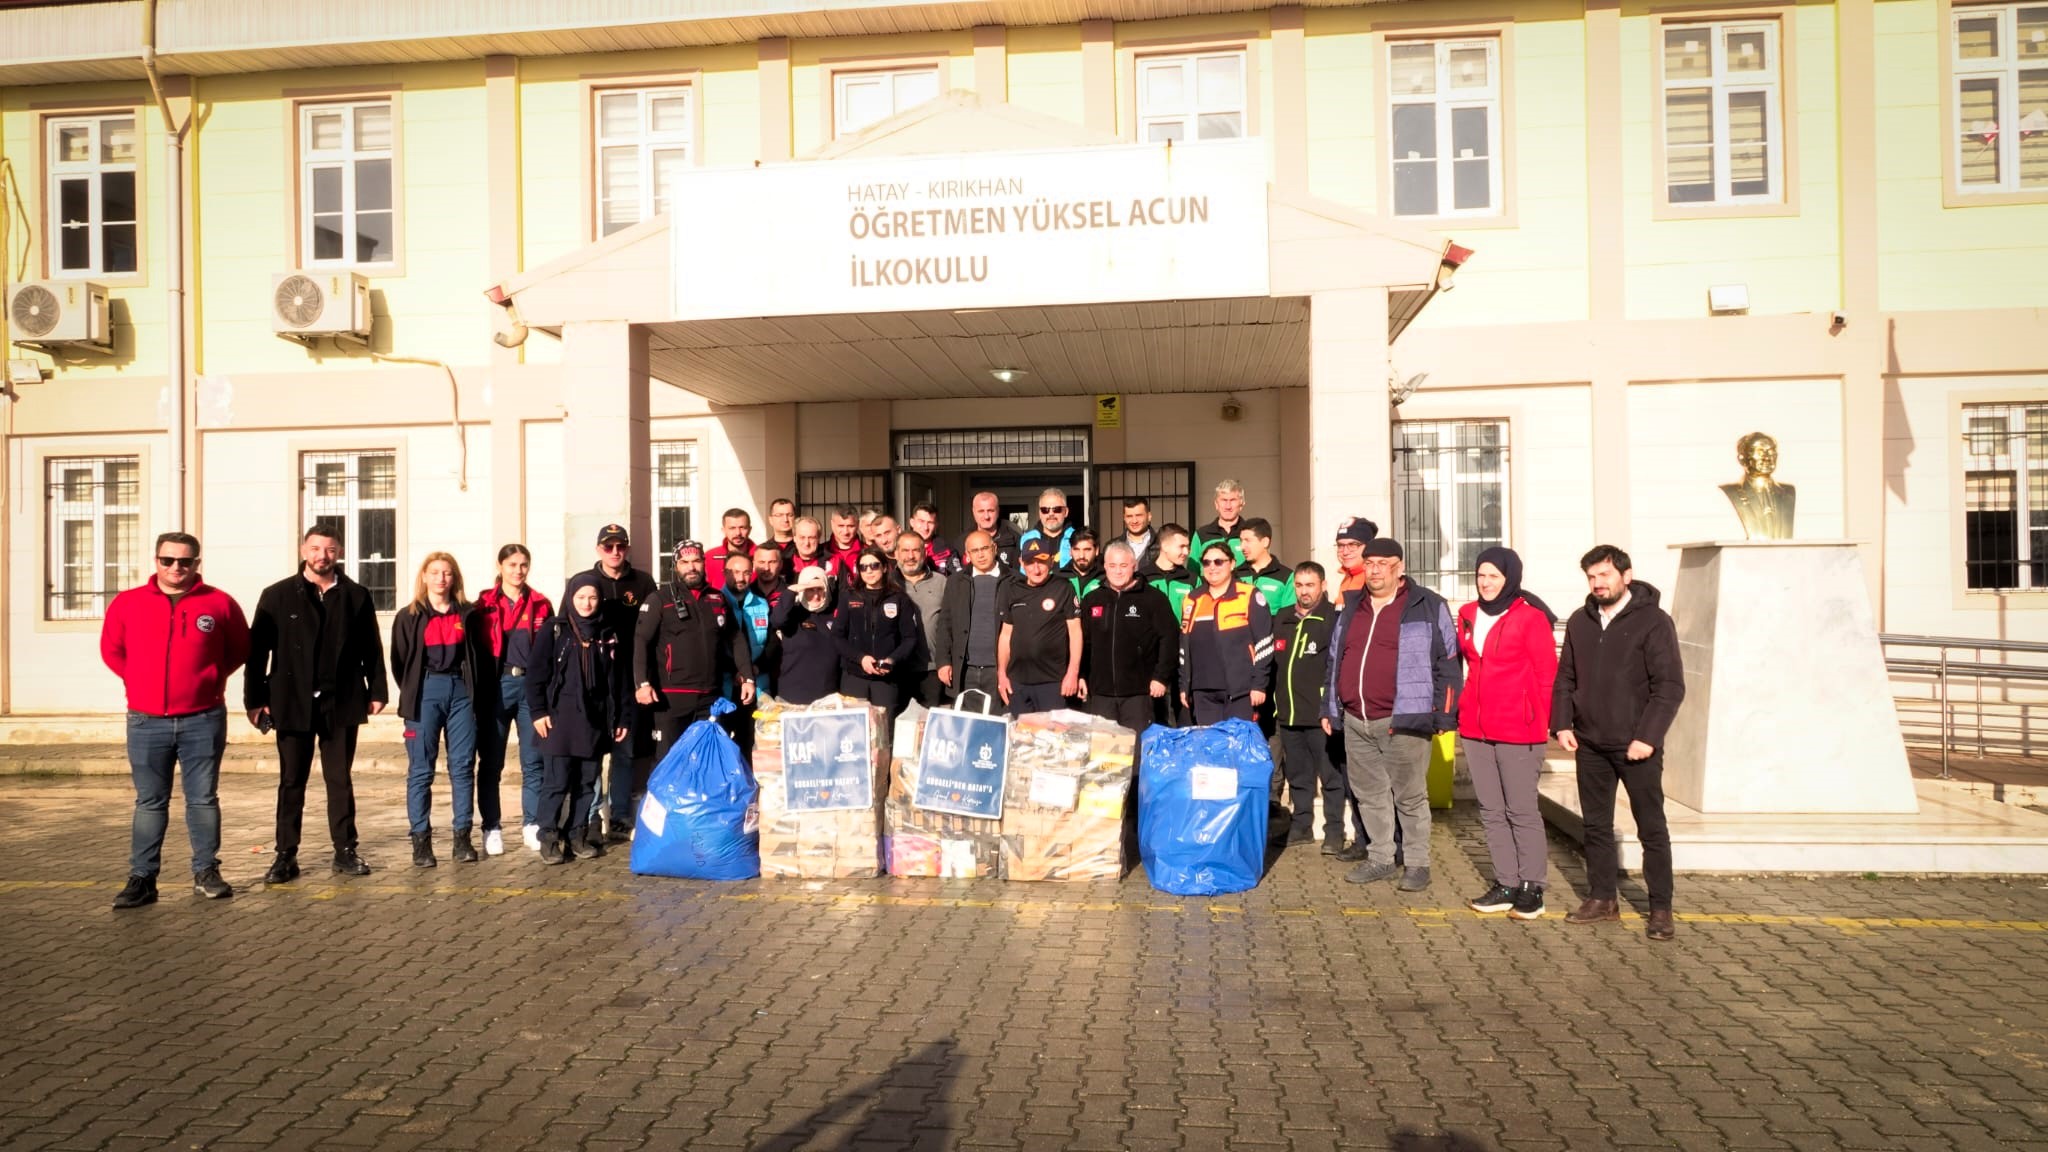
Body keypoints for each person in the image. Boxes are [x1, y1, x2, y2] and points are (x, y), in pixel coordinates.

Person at [101, 532, 250, 909]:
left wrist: (209, 681)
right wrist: (139, 683)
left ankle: (206, 872)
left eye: (184, 562)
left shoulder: (219, 603)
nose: (175, 568)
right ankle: (143, 878)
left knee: (202, 799)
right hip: (145, 721)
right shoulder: (128, 603)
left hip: (202, 718)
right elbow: (112, 650)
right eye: (167, 561)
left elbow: (238, 649)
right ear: (156, 561)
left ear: (197, 564)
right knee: (150, 802)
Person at [1553, 544, 1685, 941]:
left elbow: (1670, 687)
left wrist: (1647, 737)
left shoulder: (1654, 622)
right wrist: (1562, 724)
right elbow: (1565, 679)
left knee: (1651, 829)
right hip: (1590, 742)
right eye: (1592, 577)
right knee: (1595, 827)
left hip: (1636, 746)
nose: (1597, 584)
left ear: (1625, 576)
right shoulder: (1580, 621)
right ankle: (1602, 898)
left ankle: (1660, 908)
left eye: (1604, 576)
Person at [248, 527, 388, 884]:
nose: (321, 555)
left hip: (341, 700)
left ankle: (345, 851)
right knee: (291, 781)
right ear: (303, 550)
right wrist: (254, 701)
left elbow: (371, 646)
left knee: (339, 780)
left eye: (329, 549)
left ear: (339, 552)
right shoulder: (277, 595)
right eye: (315, 548)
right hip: (291, 702)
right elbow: (257, 653)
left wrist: (378, 690)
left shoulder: (356, 595)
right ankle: (285, 855)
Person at [1320, 538, 1460, 894]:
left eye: (1384, 563)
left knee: (1409, 796)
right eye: (1370, 563)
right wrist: (1330, 707)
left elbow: (1448, 663)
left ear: (1399, 567)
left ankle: (1417, 863)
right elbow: (1335, 658)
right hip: (1356, 719)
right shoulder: (1352, 606)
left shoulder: (1428, 605)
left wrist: (1444, 715)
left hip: (1405, 719)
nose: (1375, 569)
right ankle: (1380, 858)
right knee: (1369, 794)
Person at [1455, 547, 1561, 920]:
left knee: (1521, 810)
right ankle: (1506, 883)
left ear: (1510, 578)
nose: (1485, 583)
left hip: (1520, 727)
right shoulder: (1467, 614)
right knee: (1491, 811)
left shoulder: (1530, 619)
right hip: (1475, 728)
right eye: (1481, 575)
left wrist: (1545, 722)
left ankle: (1533, 887)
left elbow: (1548, 675)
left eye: (1494, 576)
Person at [632, 541, 755, 833]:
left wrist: (746, 675)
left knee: (705, 764)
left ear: (704, 563)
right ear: (676, 566)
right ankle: (654, 828)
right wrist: (642, 682)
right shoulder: (659, 598)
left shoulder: (717, 599)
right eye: (685, 562)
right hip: (671, 699)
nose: (692, 567)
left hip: (709, 698)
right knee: (666, 763)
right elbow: (641, 642)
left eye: (697, 561)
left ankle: (698, 823)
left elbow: (736, 638)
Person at [390, 553, 492, 868]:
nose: (441, 579)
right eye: (434, 573)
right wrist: (413, 689)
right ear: (424, 577)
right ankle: (421, 842)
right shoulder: (409, 616)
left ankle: (462, 838)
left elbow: (478, 654)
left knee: (462, 767)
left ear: (454, 578)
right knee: (421, 771)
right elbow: (399, 660)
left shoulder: (468, 614)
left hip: (460, 692)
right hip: (425, 692)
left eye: (447, 573)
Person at [528, 572, 635, 864]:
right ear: (571, 598)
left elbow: (622, 680)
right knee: (557, 782)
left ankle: (577, 833)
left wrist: (623, 718)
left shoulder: (608, 633)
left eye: (592, 597)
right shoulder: (555, 630)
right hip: (559, 718)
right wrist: (538, 712)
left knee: (588, 781)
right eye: (580, 597)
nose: (587, 604)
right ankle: (548, 837)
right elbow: (536, 675)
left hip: (596, 718)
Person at [1272, 562, 1356, 855]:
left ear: (1322, 585)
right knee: (1298, 777)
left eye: (1310, 585)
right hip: (1288, 714)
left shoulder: (1333, 619)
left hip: (1321, 716)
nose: (1304, 591)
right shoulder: (1282, 618)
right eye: (1299, 585)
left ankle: (1334, 832)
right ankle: (1301, 827)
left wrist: (1331, 708)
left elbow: (1339, 668)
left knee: (1331, 778)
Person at [582, 523, 658, 841]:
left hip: (630, 678)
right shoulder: (586, 582)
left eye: (620, 547)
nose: (615, 552)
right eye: (608, 547)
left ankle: (620, 815)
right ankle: (591, 816)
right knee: (594, 749)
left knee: (625, 750)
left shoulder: (642, 582)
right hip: (595, 679)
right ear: (599, 549)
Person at [476, 544, 553, 854]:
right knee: (491, 762)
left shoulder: (541, 604)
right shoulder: (483, 604)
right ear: (500, 565)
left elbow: (550, 649)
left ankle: (532, 824)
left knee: (533, 761)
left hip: (531, 688)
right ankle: (492, 826)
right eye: (512, 564)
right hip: (496, 686)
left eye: (523, 564)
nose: (518, 570)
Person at [1077, 542, 1176, 735]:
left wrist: (1160, 677)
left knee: (1136, 751)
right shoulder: (1092, 599)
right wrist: (1081, 675)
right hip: (1101, 694)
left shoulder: (1154, 599)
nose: (1118, 571)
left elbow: (1169, 639)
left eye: (1124, 565)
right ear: (1104, 566)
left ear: (1134, 566)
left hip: (1139, 694)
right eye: (1112, 566)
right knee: (1104, 754)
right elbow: (1084, 642)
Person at [1178, 541, 1273, 725]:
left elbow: (1264, 643)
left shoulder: (1249, 595)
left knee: (1236, 749)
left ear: (1232, 563)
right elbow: (1184, 646)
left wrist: (1259, 685)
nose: (1212, 567)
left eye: (1218, 562)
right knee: (1210, 750)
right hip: (1202, 692)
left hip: (1240, 692)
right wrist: (1184, 685)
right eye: (1206, 563)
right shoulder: (1192, 599)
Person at [998, 539, 1082, 715]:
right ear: (1021, 562)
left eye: (1042, 562)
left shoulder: (1063, 588)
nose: (1036, 569)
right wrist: (1002, 674)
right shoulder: (1012, 589)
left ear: (1051, 561)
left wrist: (1072, 673)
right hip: (1017, 683)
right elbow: (1006, 634)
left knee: (1051, 739)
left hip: (1052, 683)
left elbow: (1075, 632)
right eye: (1030, 562)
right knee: (1021, 738)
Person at [831, 545, 920, 711]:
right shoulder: (849, 597)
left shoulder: (899, 598)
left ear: (885, 568)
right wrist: (860, 658)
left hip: (886, 678)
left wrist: (892, 660)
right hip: (854, 676)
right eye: (863, 567)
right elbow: (837, 636)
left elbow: (909, 638)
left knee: (884, 730)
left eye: (874, 565)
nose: (869, 571)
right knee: (855, 729)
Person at [938, 530, 1009, 702]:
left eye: (984, 548)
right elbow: (945, 623)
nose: (981, 555)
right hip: (965, 670)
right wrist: (943, 661)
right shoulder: (956, 581)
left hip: (1000, 671)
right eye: (974, 551)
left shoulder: (1013, 580)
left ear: (994, 548)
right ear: (967, 555)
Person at [1143, 524, 1197, 726]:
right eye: (1181, 546)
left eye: (1188, 546)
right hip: (1153, 655)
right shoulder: (1143, 577)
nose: (1186, 552)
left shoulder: (1192, 579)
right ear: (1164, 547)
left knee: (1183, 711)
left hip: (1183, 651)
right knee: (1154, 713)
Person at [772, 567, 841, 705]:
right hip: (794, 694)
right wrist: (791, 592)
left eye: (820, 589)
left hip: (828, 695)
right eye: (810, 589)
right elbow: (777, 620)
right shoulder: (792, 614)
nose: (816, 595)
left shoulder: (834, 614)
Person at [896, 530, 949, 706]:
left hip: (932, 669)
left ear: (925, 553)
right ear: (896, 553)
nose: (910, 556)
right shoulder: (887, 583)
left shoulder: (941, 582)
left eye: (916, 550)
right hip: (897, 669)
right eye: (905, 550)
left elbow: (951, 624)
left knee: (927, 727)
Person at [1236, 518, 1295, 613]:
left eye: (1247, 540)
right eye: (1241, 541)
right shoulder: (1235, 575)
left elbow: (1288, 618)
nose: (1242, 547)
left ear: (1265, 542)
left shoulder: (1286, 576)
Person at [1192, 479, 1249, 569]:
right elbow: (1193, 574)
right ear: (1216, 504)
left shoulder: (1251, 533)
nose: (1228, 506)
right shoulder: (1201, 535)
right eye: (1224, 500)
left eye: (1233, 500)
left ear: (1241, 504)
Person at [1016, 488, 1079, 568]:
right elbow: (1018, 575)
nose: (1051, 514)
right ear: (1039, 513)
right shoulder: (1026, 540)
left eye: (1057, 509)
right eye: (1045, 510)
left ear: (1066, 512)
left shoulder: (1077, 539)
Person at [705, 508, 756, 591]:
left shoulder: (760, 557)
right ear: (723, 530)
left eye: (742, 527)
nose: (738, 533)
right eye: (732, 528)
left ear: (750, 529)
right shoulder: (710, 557)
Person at [971, 490, 1021, 569]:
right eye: (981, 511)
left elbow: (1019, 575)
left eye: (990, 511)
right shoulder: (962, 541)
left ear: (998, 511)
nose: (986, 516)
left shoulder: (1015, 539)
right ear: (973, 512)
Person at [1332, 517, 1377, 601]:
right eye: (1340, 546)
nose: (1345, 552)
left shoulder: (1376, 579)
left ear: (1368, 546)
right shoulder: (1348, 576)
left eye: (1353, 545)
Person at [909, 504, 961, 574]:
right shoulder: (900, 547)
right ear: (912, 522)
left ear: (936, 525)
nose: (925, 527)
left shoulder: (947, 550)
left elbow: (957, 578)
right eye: (921, 521)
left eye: (930, 523)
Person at [1118, 497, 1161, 571]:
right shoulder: (1112, 546)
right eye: (1129, 516)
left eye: (1139, 515)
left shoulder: (1162, 545)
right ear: (1124, 518)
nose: (1134, 521)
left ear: (1149, 516)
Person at [826, 506, 864, 581]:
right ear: (832, 524)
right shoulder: (822, 552)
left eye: (850, 526)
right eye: (841, 526)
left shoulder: (868, 552)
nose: (845, 531)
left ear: (858, 525)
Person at [1067, 530, 1103, 599]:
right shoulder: (1057, 577)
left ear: (1097, 550)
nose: (1081, 556)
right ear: (1070, 551)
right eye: (1076, 549)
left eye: (1087, 550)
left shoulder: (1107, 579)